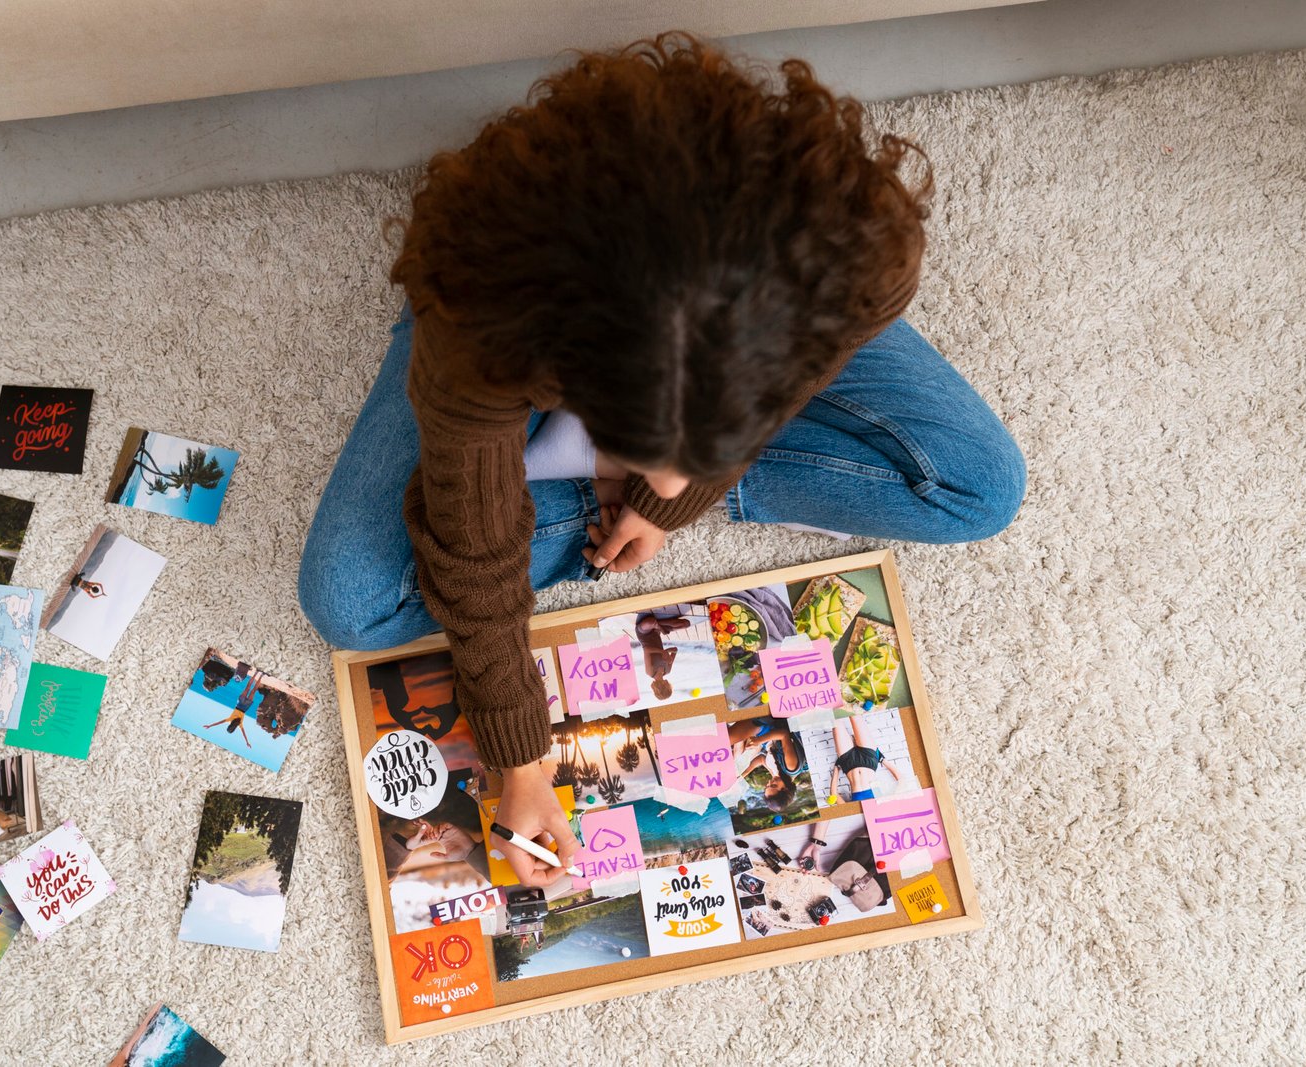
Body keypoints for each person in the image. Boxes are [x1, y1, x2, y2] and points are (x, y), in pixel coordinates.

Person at [299, 32, 1026, 887]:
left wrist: (673, 495)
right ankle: (559, 477)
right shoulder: (485, 326)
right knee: (349, 600)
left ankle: (586, 485)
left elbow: (786, 378)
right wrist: (519, 758)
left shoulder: (844, 259)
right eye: (642, 449)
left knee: (981, 488)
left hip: (749, 313)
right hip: (521, 332)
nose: (673, 471)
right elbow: (472, 530)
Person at [828, 712, 901, 802]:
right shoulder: (883, 804)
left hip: (848, 762)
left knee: (835, 719)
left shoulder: (854, 811)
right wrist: (883, 760)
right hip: (869, 759)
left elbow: (833, 794)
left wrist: (836, 768)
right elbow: (901, 782)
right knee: (854, 714)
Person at [634, 611, 691, 700]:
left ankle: (658, 625)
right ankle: (658, 625)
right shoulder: (667, 671)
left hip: (644, 634)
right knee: (686, 624)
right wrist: (666, 652)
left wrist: (662, 652)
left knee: (650, 622)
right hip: (656, 632)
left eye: (669, 687)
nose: (670, 685)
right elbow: (675, 650)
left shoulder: (650, 672)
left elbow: (647, 650)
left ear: (664, 687)